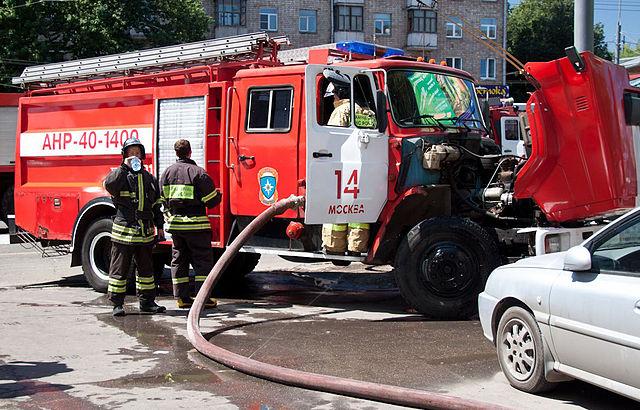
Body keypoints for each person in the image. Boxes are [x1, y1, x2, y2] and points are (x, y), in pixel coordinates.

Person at [104, 137, 166, 317]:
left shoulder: (149, 179)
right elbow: (109, 185)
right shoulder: (119, 176)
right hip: (124, 232)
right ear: (124, 156)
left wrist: (160, 226)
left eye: (137, 153)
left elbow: (156, 205)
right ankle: (117, 304)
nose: (134, 157)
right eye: (130, 153)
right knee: (119, 269)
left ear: (143, 156)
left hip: (144, 233)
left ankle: (147, 302)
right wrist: (124, 167)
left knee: (146, 270)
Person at [160, 139, 221, 309]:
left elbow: (162, 198)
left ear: (176, 153)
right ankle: (203, 298)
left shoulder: (167, 173)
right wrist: (219, 195)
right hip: (197, 226)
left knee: (179, 260)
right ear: (190, 152)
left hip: (177, 226)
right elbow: (211, 201)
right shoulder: (198, 173)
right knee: (202, 262)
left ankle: (182, 298)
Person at [322, 82, 372, 255]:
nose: (333, 100)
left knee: (337, 209)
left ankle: (334, 247)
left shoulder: (342, 111)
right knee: (359, 210)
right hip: (365, 168)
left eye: (334, 96)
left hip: (342, 168)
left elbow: (330, 139)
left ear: (340, 94)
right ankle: (356, 247)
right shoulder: (369, 112)